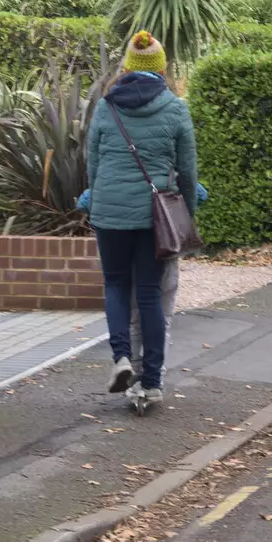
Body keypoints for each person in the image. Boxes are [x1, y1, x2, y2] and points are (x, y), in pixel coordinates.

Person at [83, 31, 198, 403]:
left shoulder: (107, 105)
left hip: (109, 212)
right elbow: (187, 170)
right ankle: (151, 381)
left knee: (115, 285)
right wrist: (187, 216)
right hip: (154, 216)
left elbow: (94, 164)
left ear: (127, 67)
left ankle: (120, 357)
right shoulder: (175, 107)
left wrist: (97, 200)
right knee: (148, 293)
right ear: (162, 68)